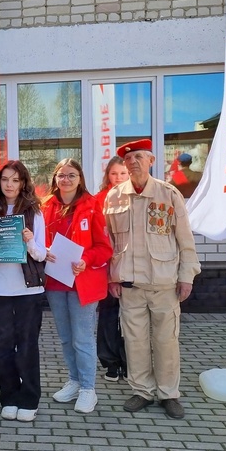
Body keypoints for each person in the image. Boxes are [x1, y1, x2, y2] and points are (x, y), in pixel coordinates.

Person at [104, 139, 200, 420]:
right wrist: (112, 278)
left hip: (164, 284)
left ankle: (169, 393)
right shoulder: (114, 197)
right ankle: (142, 391)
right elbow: (109, 242)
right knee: (134, 341)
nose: (133, 162)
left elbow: (185, 240)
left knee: (166, 342)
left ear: (151, 160)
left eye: (139, 157)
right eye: (128, 158)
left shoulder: (168, 194)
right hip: (130, 285)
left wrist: (187, 276)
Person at [0, 160, 47, 422]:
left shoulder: (33, 212)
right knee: (3, 346)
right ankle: (9, 397)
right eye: (5, 179)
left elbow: (41, 254)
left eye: (15, 180)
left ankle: (29, 398)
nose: (9, 185)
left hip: (28, 290)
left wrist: (30, 242)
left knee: (27, 346)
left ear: (23, 183)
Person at [42, 158, 113, 414]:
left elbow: (104, 248)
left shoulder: (92, 206)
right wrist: (43, 251)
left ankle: (88, 389)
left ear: (80, 178)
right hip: (55, 281)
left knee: (82, 338)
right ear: (55, 178)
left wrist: (86, 260)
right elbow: (40, 240)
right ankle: (74, 380)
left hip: (83, 282)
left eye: (72, 175)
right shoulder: (45, 206)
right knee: (65, 337)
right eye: (61, 175)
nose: (66, 180)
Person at [95, 156, 129, 383]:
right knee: (108, 315)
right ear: (107, 175)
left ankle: (129, 363)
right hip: (106, 267)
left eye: (123, 173)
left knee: (131, 319)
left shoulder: (136, 198)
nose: (118, 178)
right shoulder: (100, 199)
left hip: (131, 267)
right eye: (114, 173)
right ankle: (110, 362)